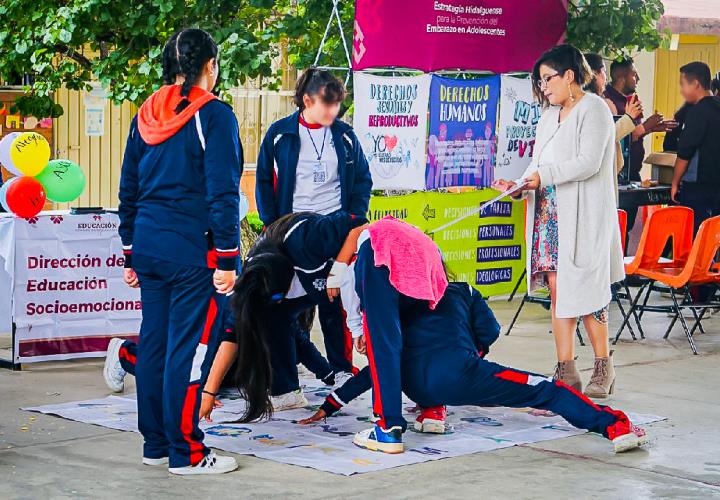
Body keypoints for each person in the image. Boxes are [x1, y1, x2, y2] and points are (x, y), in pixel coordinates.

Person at [299, 281, 649, 455]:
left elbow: (375, 369)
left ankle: (432, 410)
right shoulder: (463, 289)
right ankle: (615, 426)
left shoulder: (400, 301)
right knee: (548, 390)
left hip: (413, 384)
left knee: (411, 369)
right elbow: (490, 331)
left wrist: (328, 406)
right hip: (461, 374)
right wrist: (474, 355)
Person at [117, 28, 242, 475]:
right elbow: (223, 191)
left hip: (150, 246)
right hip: (192, 252)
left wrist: (130, 250)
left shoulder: (145, 113)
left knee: (154, 344)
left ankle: (155, 444)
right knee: (185, 352)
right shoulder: (215, 116)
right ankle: (186, 452)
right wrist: (228, 258)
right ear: (210, 65)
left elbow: (128, 187)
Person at [493, 45, 625, 399]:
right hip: (548, 213)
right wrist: (519, 185)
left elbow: (589, 162)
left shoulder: (594, 109)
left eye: (548, 79)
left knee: (588, 292)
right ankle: (566, 369)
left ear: (570, 75)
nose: (544, 87)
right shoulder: (549, 116)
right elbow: (538, 164)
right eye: (540, 81)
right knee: (558, 290)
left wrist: (542, 177)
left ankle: (602, 365)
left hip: (582, 215)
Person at [255, 68, 373, 384]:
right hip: (290, 232)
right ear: (307, 100)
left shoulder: (346, 136)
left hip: (333, 230)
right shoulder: (280, 134)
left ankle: (341, 369)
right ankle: (288, 365)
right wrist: (271, 224)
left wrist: (354, 222)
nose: (333, 110)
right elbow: (264, 179)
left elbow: (362, 180)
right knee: (287, 302)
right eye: (327, 102)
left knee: (334, 301)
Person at [603, 57, 669, 235]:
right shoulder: (608, 102)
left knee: (628, 224)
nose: (638, 78)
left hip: (633, 171)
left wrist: (652, 127)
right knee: (617, 227)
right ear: (621, 77)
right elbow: (617, 136)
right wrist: (646, 125)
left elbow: (635, 134)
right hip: (617, 174)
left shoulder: (629, 100)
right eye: (634, 74)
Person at [584, 53, 644, 204]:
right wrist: (629, 118)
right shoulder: (594, 103)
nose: (606, 77)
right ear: (594, 74)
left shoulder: (594, 101)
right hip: (596, 178)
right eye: (603, 71)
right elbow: (604, 138)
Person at [671, 62, 720, 229]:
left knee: (697, 238)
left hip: (699, 187)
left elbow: (685, 152)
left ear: (696, 84)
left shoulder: (697, 112)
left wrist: (675, 182)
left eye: (683, 84)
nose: (681, 91)